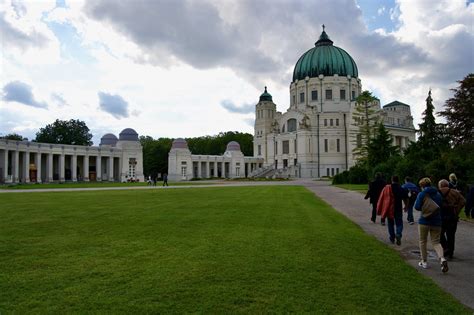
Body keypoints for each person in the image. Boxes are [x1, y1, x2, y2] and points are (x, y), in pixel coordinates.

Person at [414, 177, 448, 273]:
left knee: (423, 241)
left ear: (422, 186)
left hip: (424, 221)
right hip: (437, 221)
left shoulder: (422, 194)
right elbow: (440, 206)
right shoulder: (438, 194)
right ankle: (442, 258)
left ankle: (424, 261)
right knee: (436, 242)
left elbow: (416, 207)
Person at [438, 179, 465, 259]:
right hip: (452, 217)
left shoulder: (437, 192)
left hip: (441, 216)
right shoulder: (455, 192)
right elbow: (463, 201)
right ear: (447, 185)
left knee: (440, 234)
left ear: (440, 185)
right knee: (451, 235)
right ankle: (451, 252)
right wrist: (457, 210)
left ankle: (445, 248)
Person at [377, 175, 408, 245]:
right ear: (398, 180)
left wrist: (382, 207)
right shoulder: (401, 188)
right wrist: (406, 206)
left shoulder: (387, 188)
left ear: (392, 180)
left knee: (390, 223)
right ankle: (398, 234)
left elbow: (382, 198)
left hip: (389, 208)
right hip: (398, 208)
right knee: (399, 223)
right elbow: (406, 198)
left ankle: (392, 237)